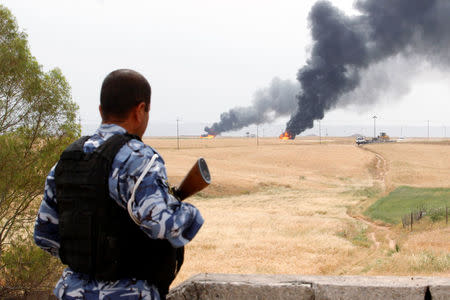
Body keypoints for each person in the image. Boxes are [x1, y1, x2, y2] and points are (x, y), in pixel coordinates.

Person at [34, 69, 204, 300]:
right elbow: (165, 225)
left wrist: (89, 260)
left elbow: (44, 235)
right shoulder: (139, 158)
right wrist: (187, 212)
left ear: (101, 110)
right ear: (140, 110)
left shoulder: (68, 159)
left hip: (71, 292)